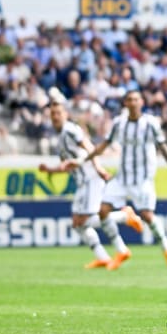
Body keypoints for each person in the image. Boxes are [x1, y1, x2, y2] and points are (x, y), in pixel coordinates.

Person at [86, 88, 167, 270]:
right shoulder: (119, 123)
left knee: (147, 216)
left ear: (142, 102)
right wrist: (85, 159)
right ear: (125, 103)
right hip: (122, 178)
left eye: (136, 99)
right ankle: (121, 250)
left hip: (142, 180)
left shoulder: (150, 124)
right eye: (129, 99)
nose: (133, 102)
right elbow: (104, 145)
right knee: (102, 211)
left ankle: (166, 246)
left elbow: (164, 148)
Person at [38, 97, 120, 269]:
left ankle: (125, 216)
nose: (55, 116)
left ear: (65, 114)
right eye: (52, 113)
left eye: (58, 113)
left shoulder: (70, 130)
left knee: (84, 221)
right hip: (83, 182)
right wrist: (50, 170)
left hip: (90, 178)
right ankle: (103, 257)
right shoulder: (60, 138)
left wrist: (98, 168)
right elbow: (67, 167)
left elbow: (90, 147)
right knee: (77, 224)